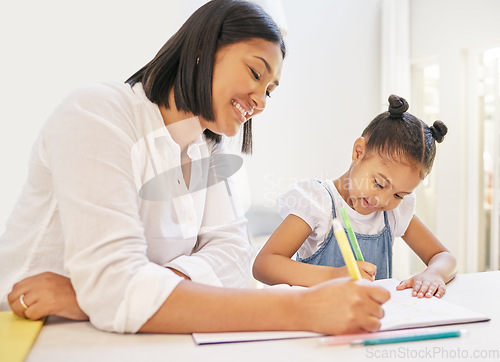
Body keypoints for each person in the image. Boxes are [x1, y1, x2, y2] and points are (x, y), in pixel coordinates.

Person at [1, 0, 390, 335]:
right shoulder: (98, 113)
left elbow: (235, 262)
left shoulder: (207, 152)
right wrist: (303, 310)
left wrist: (98, 296)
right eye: (256, 73)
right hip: (36, 333)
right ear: (203, 49)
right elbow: (115, 287)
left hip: (126, 332)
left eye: (270, 90)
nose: (261, 101)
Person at [253, 94, 458, 298]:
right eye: (378, 183)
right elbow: (265, 264)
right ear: (358, 152)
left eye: (399, 194)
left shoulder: (393, 213)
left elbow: (444, 256)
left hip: (371, 323)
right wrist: (333, 275)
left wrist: (434, 273)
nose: (383, 201)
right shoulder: (318, 202)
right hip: (318, 321)